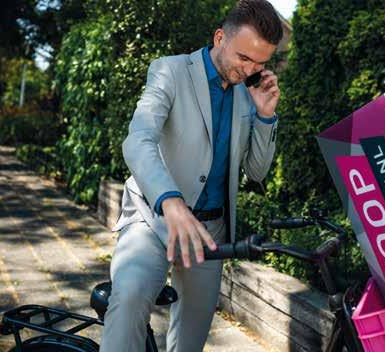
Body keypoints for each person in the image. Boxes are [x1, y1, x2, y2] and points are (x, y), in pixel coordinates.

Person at [100, 1, 283, 351]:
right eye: (244, 58)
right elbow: (138, 140)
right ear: (220, 38)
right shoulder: (170, 71)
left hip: (210, 233)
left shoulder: (250, 93)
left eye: (260, 63)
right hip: (153, 219)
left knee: (190, 342)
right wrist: (170, 201)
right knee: (130, 297)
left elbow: (257, 171)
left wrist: (265, 116)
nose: (251, 70)